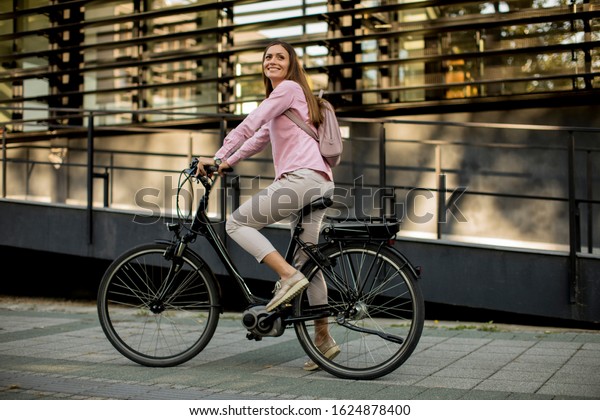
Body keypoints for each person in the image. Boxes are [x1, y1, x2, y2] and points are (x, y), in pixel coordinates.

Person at [195, 40, 339, 371]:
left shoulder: (287, 90)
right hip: (320, 181)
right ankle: (323, 341)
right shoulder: (286, 103)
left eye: (280, 57)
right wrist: (227, 162)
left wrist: (216, 156)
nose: (272, 61)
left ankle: (286, 278)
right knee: (308, 262)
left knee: (237, 224)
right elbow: (258, 137)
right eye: (268, 57)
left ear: (291, 65)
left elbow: (251, 122)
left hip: (301, 180)